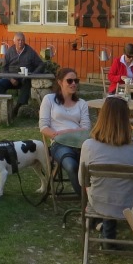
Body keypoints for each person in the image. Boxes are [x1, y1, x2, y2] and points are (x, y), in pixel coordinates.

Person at [80, 97, 133, 243]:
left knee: (99, 187)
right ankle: (109, 233)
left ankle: (106, 233)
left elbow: (82, 180)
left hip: (101, 203)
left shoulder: (89, 146)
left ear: (101, 116)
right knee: (119, 186)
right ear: (127, 118)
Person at [38, 68, 91, 196]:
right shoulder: (49, 99)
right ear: (60, 82)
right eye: (69, 81)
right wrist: (59, 136)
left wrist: (68, 132)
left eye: (76, 81)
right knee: (71, 166)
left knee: (95, 165)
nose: (73, 84)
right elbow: (44, 127)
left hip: (81, 144)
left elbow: (86, 127)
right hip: (59, 143)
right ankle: (85, 201)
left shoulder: (81, 103)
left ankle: (97, 197)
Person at [0, 32, 45, 118]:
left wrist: (33, 75)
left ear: (24, 41)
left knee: (27, 83)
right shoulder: (9, 51)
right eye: (18, 40)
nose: (20, 42)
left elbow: (41, 64)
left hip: (24, 78)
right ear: (14, 41)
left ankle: (18, 107)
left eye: (22, 40)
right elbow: (4, 68)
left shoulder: (30, 52)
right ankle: (1, 108)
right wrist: (11, 78)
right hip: (11, 78)